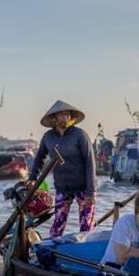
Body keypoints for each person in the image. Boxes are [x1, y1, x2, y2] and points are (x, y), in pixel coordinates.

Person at [28, 100, 97, 237]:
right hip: (62, 186)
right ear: (54, 118)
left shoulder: (79, 135)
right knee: (57, 225)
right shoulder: (48, 137)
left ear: (71, 117)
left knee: (86, 227)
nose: (65, 117)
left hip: (84, 187)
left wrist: (91, 191)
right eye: (62, 114)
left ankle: (84, 252)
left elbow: (90, 162)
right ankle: (53, 252)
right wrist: (32, 178)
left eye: (67, 114)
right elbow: (39, 159)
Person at [100, 190, 139, 270]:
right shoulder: (125, 223)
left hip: (137, 271)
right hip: (112, 269)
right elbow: (122, 257)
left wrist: (131, 250)